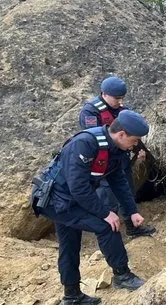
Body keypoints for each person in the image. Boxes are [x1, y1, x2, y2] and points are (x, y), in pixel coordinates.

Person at [31, 110, 151, 304]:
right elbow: (78, 188)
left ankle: (71, 296)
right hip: (55, 200)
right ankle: (123, 276)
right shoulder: (85, 143)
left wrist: (132, 211)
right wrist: (105, 213)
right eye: (135, 140)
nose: (136, 144)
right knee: (107, 226)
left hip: (70, 199)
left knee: (69, 244)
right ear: (121, 135)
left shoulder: (115, 150)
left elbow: (119, 181)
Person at [79, 76, 156, 237]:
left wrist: (139, 151)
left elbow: (132, 134)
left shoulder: (122, 110)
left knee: (126, 190)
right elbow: (93, 137)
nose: (119, 102)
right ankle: (107, 231)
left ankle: (132, 227)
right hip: (103, 161)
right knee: (107, 195)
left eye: (122, 98)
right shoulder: (91, 111)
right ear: (104, 94)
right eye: (116, 98)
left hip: (121, 159)